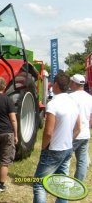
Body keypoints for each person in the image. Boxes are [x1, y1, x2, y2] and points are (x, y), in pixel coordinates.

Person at [33, 72, 81, 203]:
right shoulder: (73, 103)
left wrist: (44, 148)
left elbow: (48, 132)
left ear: (55, 85)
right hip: (67, 148)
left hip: (53, 149)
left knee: (39, 184)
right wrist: (68, 141)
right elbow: (78, 129)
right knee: (62, 183)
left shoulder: (53, 104)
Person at [69, 74, 92, 181]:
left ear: (74, 83)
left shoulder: (71, 97)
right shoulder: (89, 97)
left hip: (73, 134)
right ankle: (79, 183)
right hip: (85, 133)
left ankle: (61, 181)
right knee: (82, 160)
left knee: (65, 159)